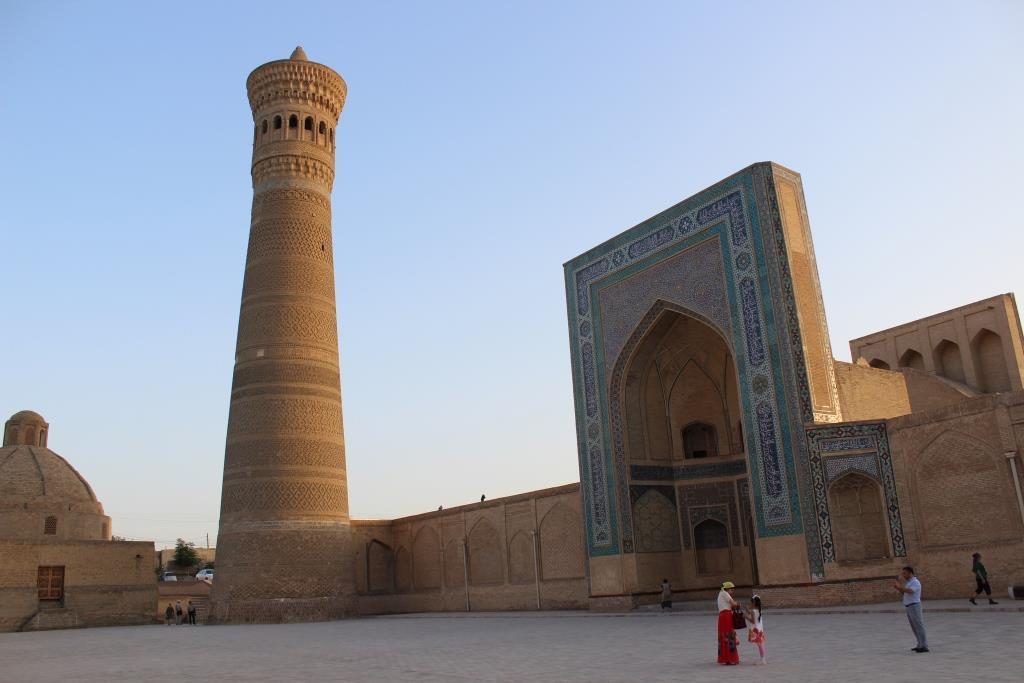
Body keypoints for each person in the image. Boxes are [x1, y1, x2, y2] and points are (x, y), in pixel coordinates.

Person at [894, 566, 928, 652]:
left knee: (919, 625)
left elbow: (910, 591)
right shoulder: (909, 582)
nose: (903, 575)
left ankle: (924, 645)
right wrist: (899, 588)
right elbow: (905, 593)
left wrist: (899, 587)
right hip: (909, 606)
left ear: (910, 573)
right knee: (914, 626)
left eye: (904, 573)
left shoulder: (915, 582)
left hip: (914, 606)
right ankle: (919, 643)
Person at [716, 581, 740, 665]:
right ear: (727, 589)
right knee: (729, 635)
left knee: (723, 636)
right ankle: (731, 658)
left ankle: (725, 658)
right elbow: (733, 604)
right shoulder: (725, 593)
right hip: (727, 616)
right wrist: (737, 603)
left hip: (722, 616)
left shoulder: (720, 594)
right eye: (731, 589)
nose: (732, 591)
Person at [744, 594, 766, 665]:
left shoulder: (754, 611)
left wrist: (746, 617)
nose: (750, 604)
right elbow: (752, 613)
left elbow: (753, 620)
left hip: (756, 630)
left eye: (751, 602)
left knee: (760, 645)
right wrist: (747, 610)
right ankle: (762, 658)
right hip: (760, 629)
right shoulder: (758, 610)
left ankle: (762, 659)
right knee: (760, 644)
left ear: (753, 603)